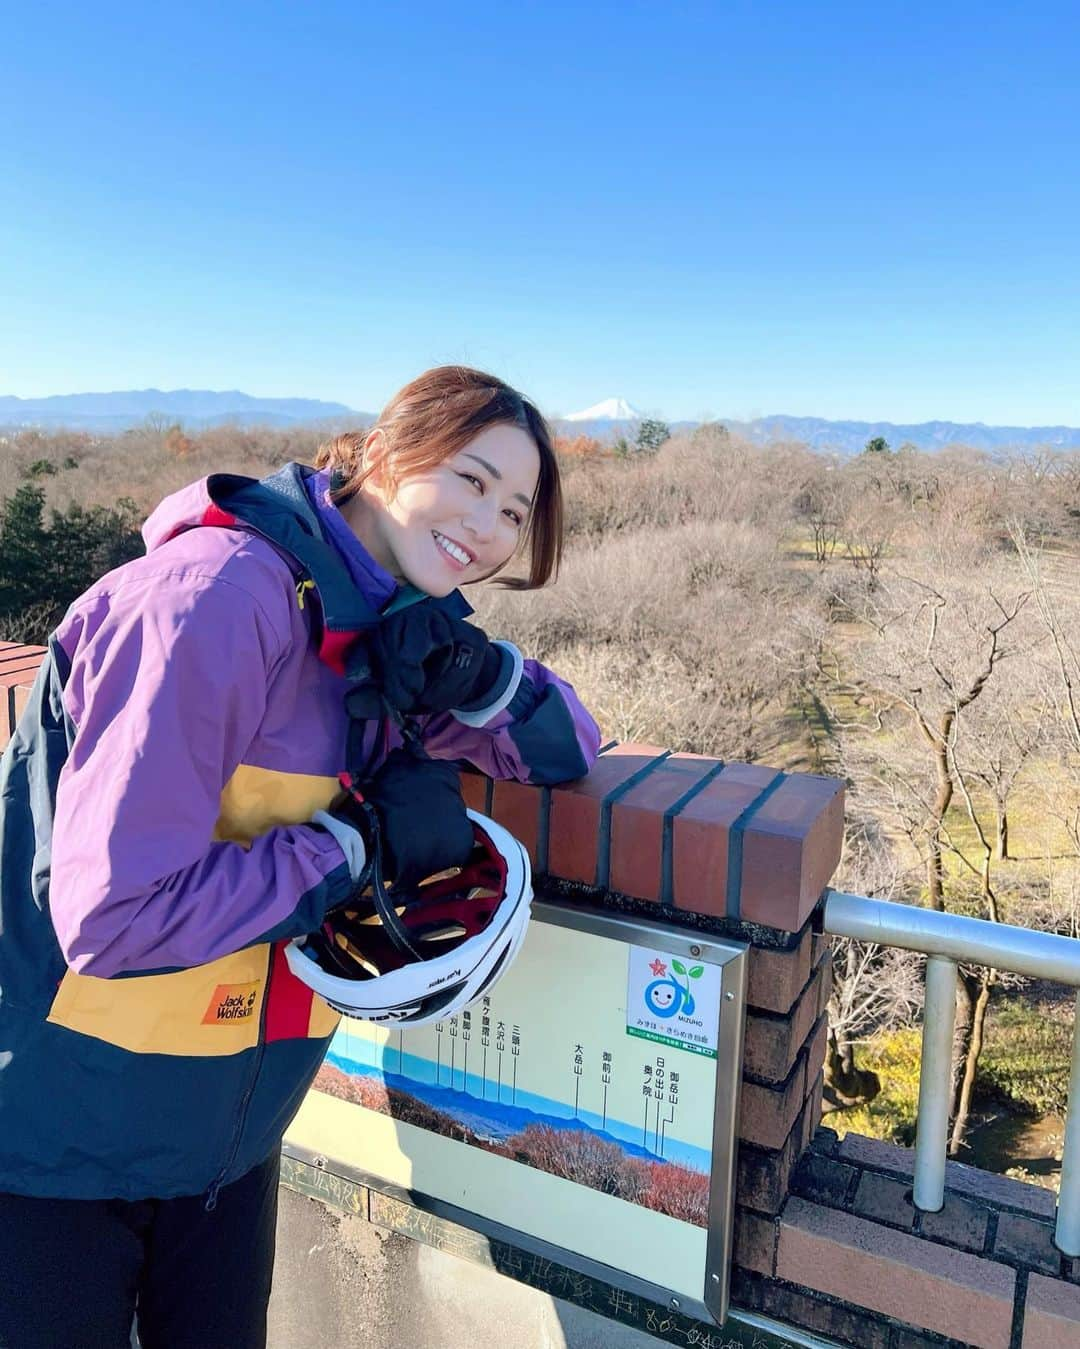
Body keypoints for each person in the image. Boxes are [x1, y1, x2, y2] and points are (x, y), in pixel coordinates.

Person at [0, 366, 601, 1348]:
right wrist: (345, 851)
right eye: (472, 477)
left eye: (516, 509)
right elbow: (113, 915)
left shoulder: (387, 627)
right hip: (60, 1144)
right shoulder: (216, 601)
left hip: (231, 1138)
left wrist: (477, 673)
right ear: (383, 451)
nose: (490, 522)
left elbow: (572, 744)